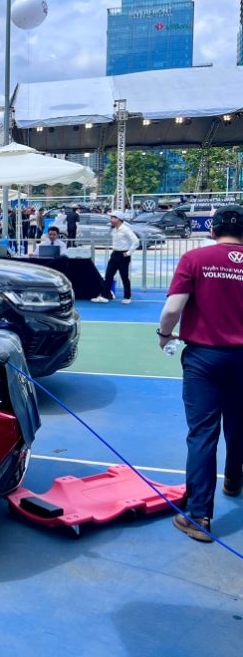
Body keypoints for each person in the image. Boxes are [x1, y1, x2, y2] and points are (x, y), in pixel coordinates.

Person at [157, 204, 243, 542]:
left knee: (203, 433)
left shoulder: (195, 259)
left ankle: (199, 516)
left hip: (204, 359)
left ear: (212, 229)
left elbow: (173, 309)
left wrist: (164, 334)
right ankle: (233, 480)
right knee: (238, 425)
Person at [91, 211, 139, 304]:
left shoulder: (125, 229)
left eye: (113, 217)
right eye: (111, 217)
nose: (111, 219)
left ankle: (127, 297)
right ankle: (105, 296)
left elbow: (136, 241)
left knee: (124, 276)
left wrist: (129, 252)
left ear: (119, 219)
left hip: (123, 255)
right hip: (115, 254)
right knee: (108, 275)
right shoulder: (114, 229)